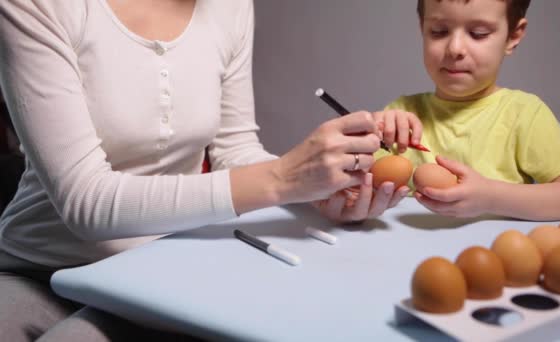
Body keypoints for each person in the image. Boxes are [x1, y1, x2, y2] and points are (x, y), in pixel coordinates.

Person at [0, 0, 419, 340]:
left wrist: (316, 191)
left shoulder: (230, 7)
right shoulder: (38, 6)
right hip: (38, 265)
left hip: (155, 268)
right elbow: (86, 203)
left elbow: (234, 150)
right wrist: (285, 179)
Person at [375, 0, 560, 220]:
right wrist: (371, 132)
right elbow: (354, 190)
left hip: (497, 256)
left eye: (478, 34)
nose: (455, 48)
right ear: (422, 28)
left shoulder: (523, 114)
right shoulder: (400, 115)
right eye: (439, 31)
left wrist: (491, 198)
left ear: (513, 36)